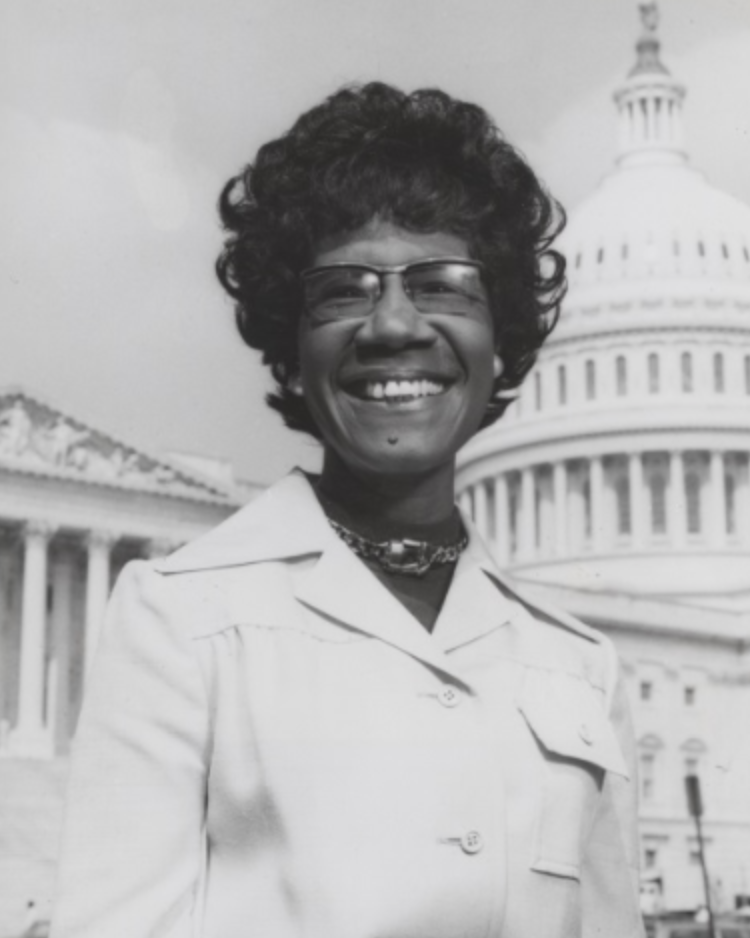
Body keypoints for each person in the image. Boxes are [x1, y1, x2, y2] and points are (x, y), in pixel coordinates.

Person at [51, 82, 643, 938]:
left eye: (444, 286)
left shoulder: (580, 664)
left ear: (499, 342)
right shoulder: (179, 622)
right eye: (343, 291)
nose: (393, 324)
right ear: (291, 352)